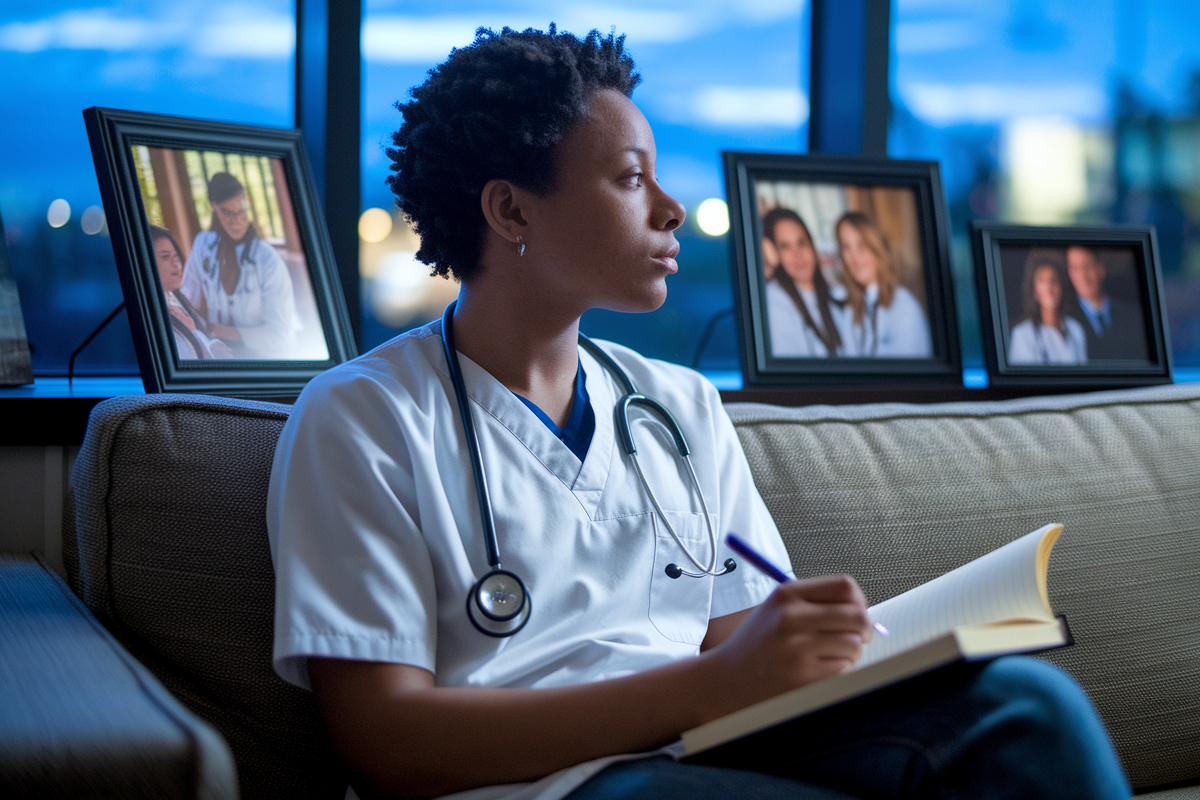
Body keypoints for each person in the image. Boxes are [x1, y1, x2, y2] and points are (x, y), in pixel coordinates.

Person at [266, 25, 1131, 800]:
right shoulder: (362, 419)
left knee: (1022, 704)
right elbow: (385, 744)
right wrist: (713, 688)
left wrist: (819, 648)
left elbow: (736, 638)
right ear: (510, 208)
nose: (671, 209)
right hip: (547, 786)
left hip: (708, 744)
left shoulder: (676, 404)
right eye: (631, 179)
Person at [181, 171, 301, 359]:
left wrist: (217, 330)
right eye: (227, 212)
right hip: (220, 353)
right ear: (214, 208)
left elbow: (282, 337)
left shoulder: (268, 260)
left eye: (241, 211)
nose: (235, 221)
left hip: (265, 360)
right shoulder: (203, 245)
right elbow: (188, 297)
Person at [833, 212, 931, 358]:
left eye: (862, 244)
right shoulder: (850, 308)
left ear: (876, 246)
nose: (854, 257)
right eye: (846, 247)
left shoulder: (903, 306)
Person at [761, 208, 851, 358]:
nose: (797, 254)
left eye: (801, 243)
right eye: (785, 246)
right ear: (774, 254)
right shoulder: (774, 300)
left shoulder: (835, 296)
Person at [151, 224, 231, 360]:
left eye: (176, 255)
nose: (177, 264)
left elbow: (201, 332)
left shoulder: (176, 295)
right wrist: (195, 334)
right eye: (165, 257)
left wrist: (213, 345)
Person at [1066, 245, 1148, 361]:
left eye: (1087, 266)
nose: (1082, 276)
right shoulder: (1064, 319)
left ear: (1100, 269)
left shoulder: (1133, 316)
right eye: (1075, 268)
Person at [1008, 250, 1088, 365]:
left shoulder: (1076, 329)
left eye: (1053, 280)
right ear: (1034, 290)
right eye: (1042, 281)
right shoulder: (1022, 334)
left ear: (1061, 287)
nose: (1049, 288)